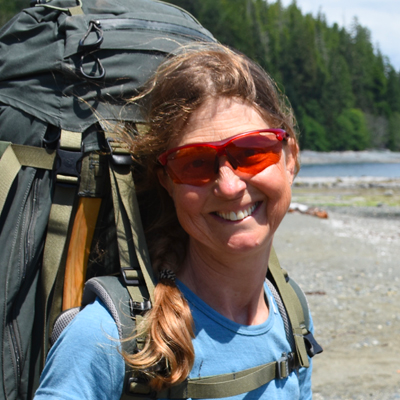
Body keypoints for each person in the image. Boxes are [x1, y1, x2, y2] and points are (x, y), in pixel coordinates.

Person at [34, 43, 313, 400]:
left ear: (290, 158)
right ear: (167, 182)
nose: (229, 186)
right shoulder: (106, 336)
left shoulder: (293, 315)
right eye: (195, 162)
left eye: (251, 152)